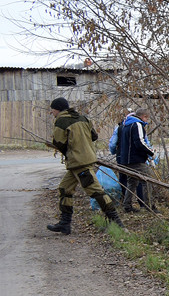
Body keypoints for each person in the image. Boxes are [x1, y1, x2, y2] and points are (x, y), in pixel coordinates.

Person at [45, 97, 122, 233]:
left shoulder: (61, 121)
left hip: (79, 162)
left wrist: (68, 147)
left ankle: (116, 221)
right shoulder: (82, 118)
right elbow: (94, 136)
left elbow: (59, 143)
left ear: (57, 109)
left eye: (52, 110)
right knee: (65, 188)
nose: (52, 113)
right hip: (82, 160)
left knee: (96, 191)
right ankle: (65, 224)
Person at [116, 107, 155, 211]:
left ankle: (127, 206)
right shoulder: (137, 124)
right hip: (135, 159)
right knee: (148, 180)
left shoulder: (126, 125)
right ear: (144, 116)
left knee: (132, 182)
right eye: (147, 118)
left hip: (125, 159)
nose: (147, 121)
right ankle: (149, 206)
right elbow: (140, 142)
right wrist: (151, 153)